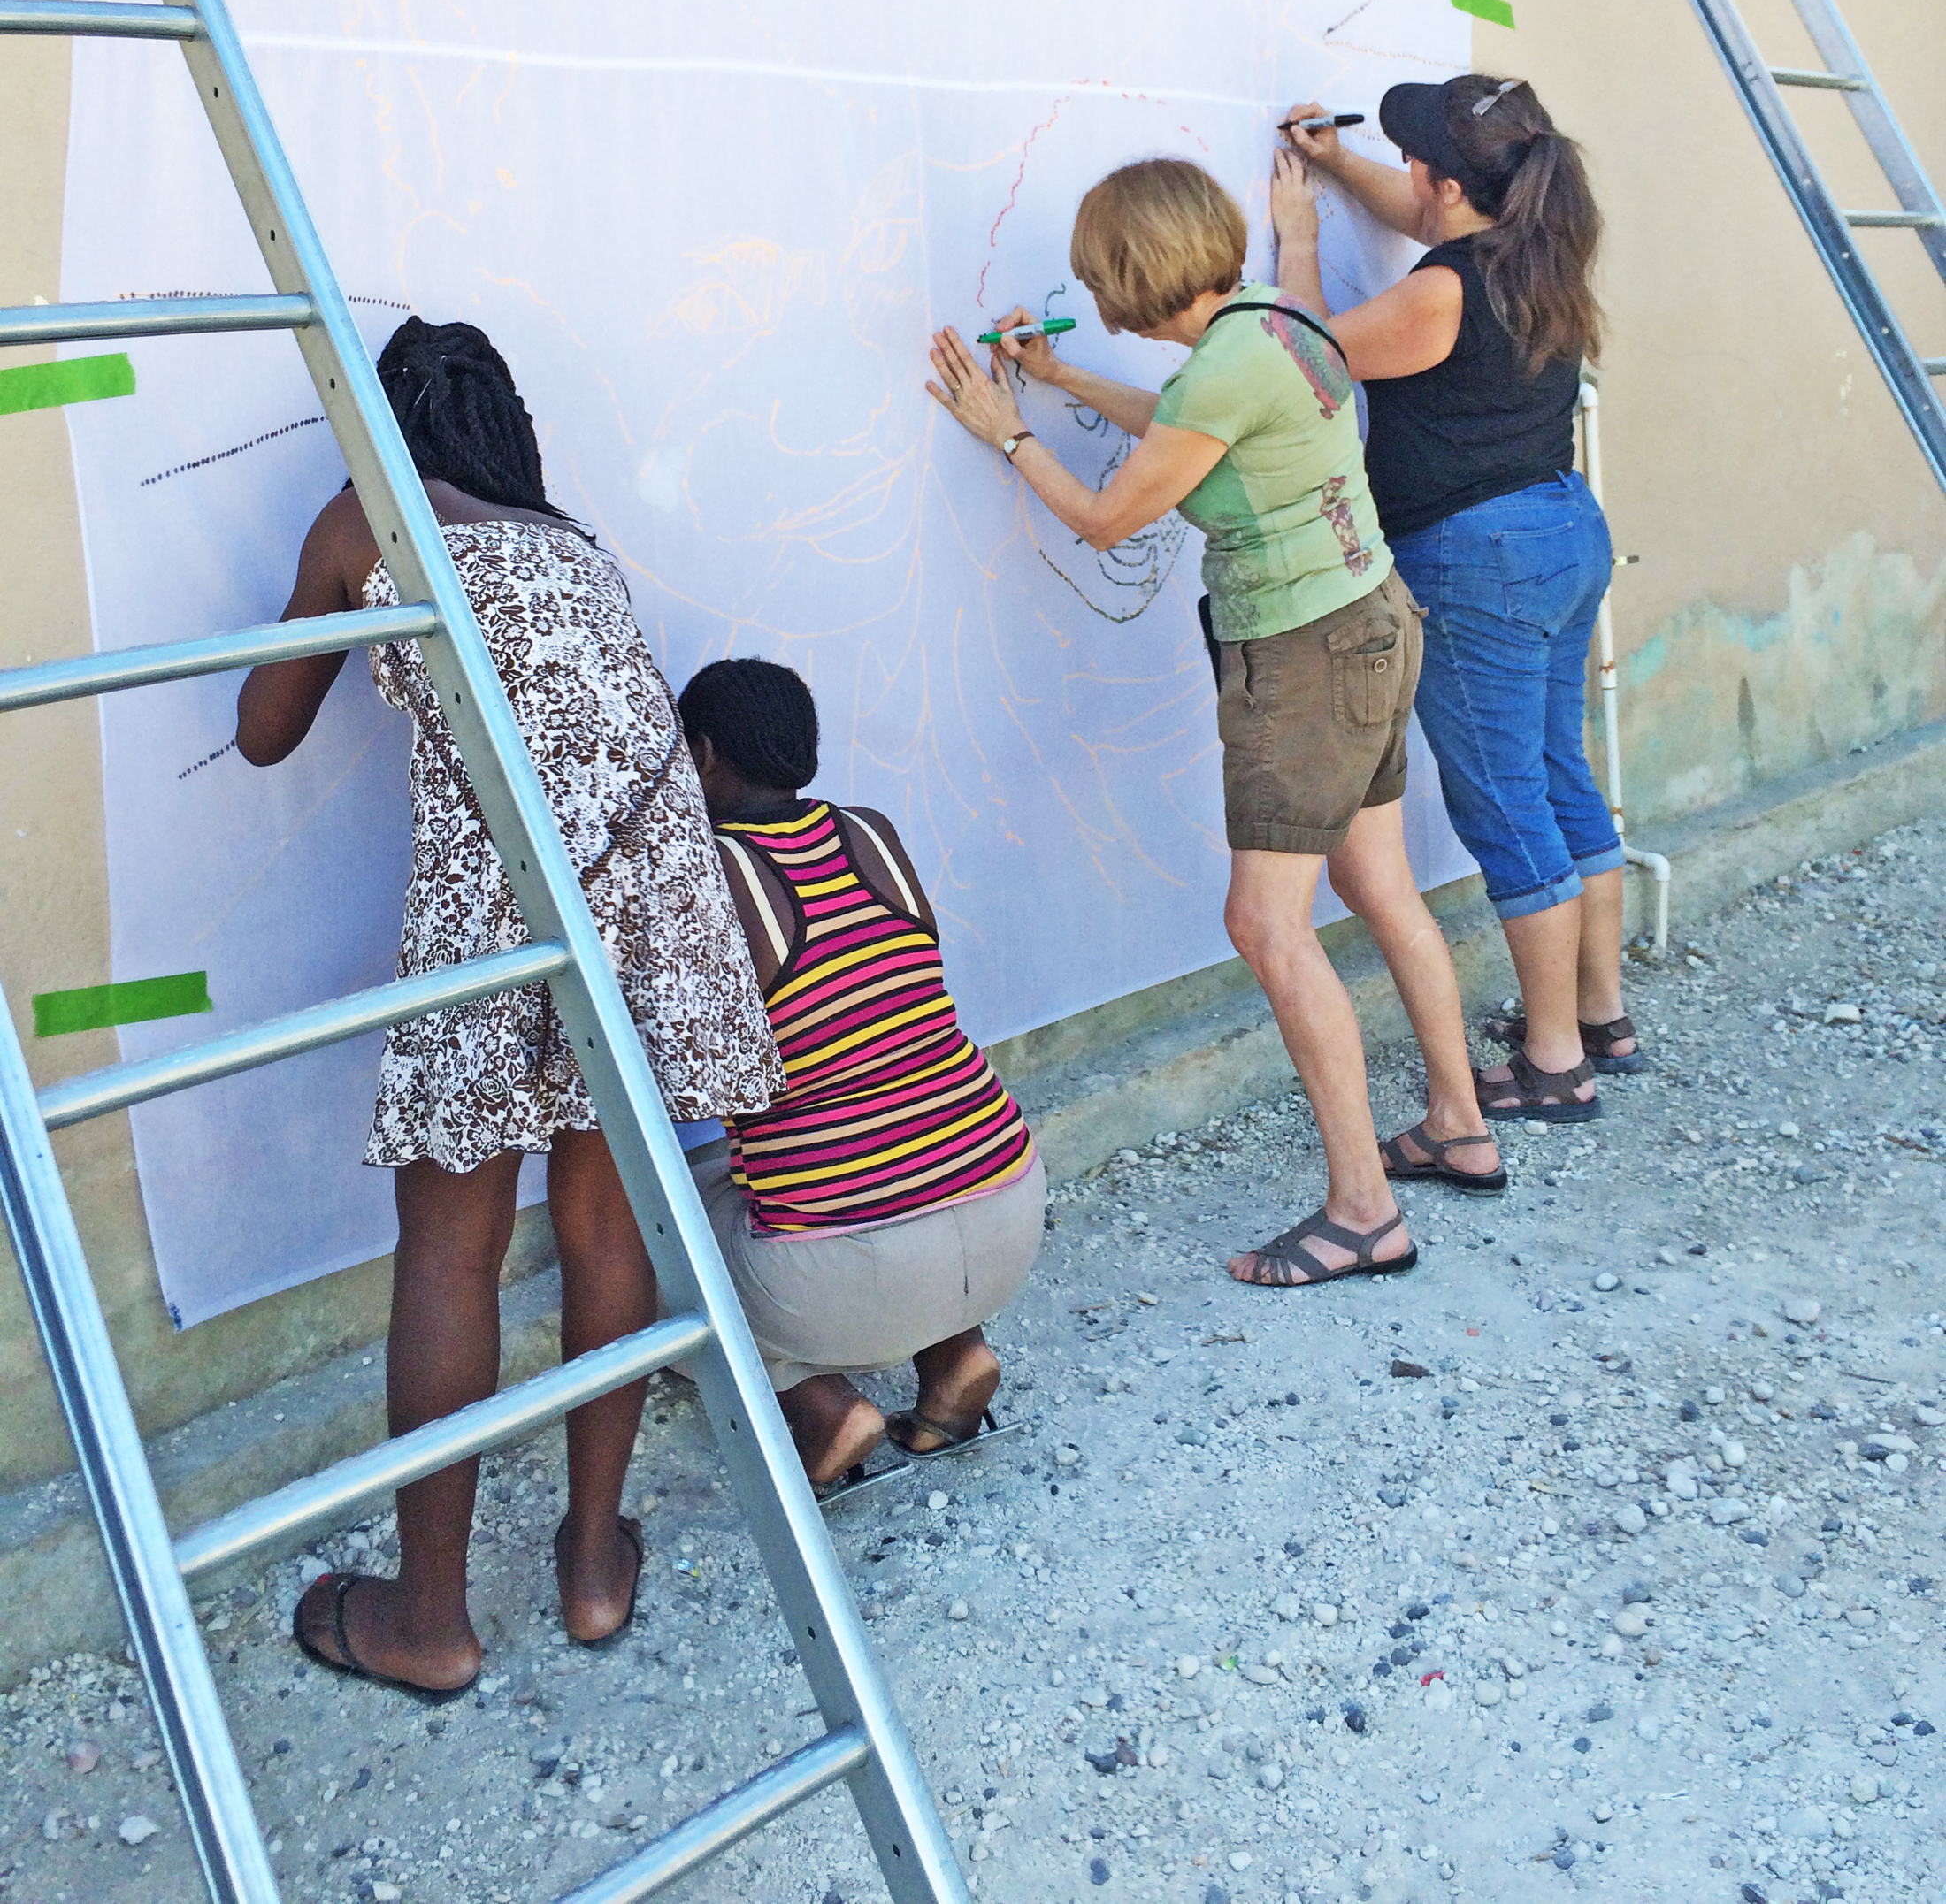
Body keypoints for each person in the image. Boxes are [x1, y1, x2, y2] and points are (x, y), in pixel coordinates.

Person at [235, 318, 782, 1698]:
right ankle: (593, 1569)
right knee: (605, 1229)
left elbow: (263, 728)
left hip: (504, 911)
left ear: (388, 425)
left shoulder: (371, 514)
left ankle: (429, 1617)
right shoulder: (571, 545)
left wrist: (321, 595)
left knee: (450, 1249)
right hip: (645, 907)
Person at [926, 158, 1505, 1297]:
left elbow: (1105, 512)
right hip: (1372, 620)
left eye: (1097, 280)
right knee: (1381, 886)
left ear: (1132, 274)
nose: (1089, 295)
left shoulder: (1223, 371)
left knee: (1264, 925)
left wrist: (1007, 428)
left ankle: (1363, 1211)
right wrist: (1062, 378)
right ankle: (1458, 1125)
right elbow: (1189, 426)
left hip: (1302, 654)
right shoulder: (1271, 322)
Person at [1274, 77, 1629, 1131]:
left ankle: (1555, 1059)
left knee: (1505, 804)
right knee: (1559, 776)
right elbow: (1420, 212)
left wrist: (1297, 238)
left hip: (1480, 560)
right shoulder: (1541, 250)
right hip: (1563, 528)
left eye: (1412, 161)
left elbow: (1304, 363)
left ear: (1449, 183)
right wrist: (1338, 166)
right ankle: (1600, 1014)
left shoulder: (1441, 293)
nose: (1406, 177)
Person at [673, 657, 1045, 1487]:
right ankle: (956, 1357)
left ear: (699, 754)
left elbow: (702, 1081)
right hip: (1010, 1204)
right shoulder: (871, 831)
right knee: (895, 1144)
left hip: (849, 1267)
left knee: (664, 1215)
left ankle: (820, 1405)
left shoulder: (714, 872)